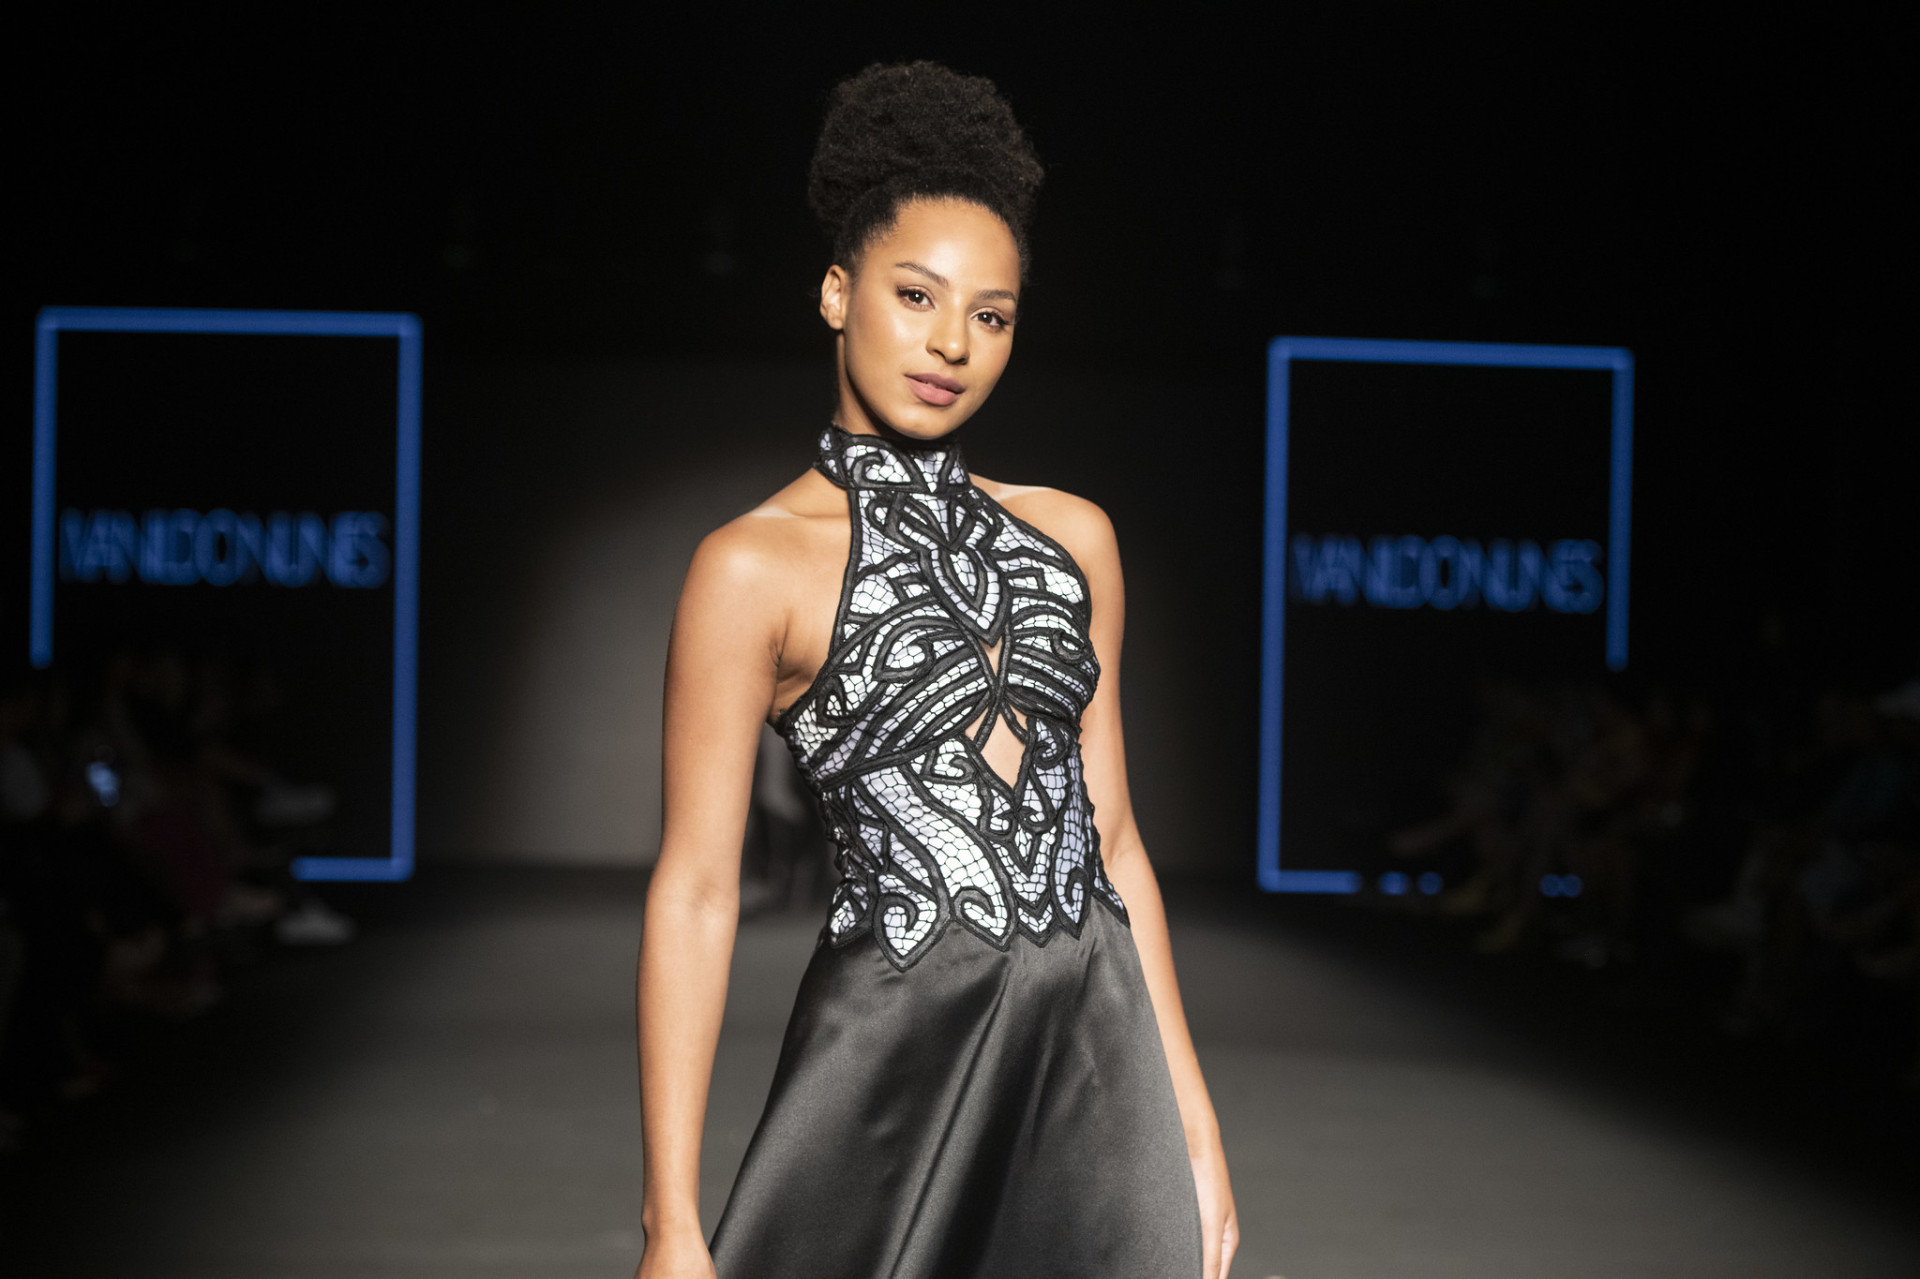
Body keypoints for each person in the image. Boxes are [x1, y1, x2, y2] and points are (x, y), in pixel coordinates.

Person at [636, 62, 1238, 1279]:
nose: (952, 342)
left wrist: (1191, 1110)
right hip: (892, 1075)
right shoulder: (751, 567)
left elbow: (1114, 844)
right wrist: (671, 1220)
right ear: (836, 292)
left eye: (993, 315)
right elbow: (696, 890)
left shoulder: (1074, 540)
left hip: (1094, 1066)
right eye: (916, 295)